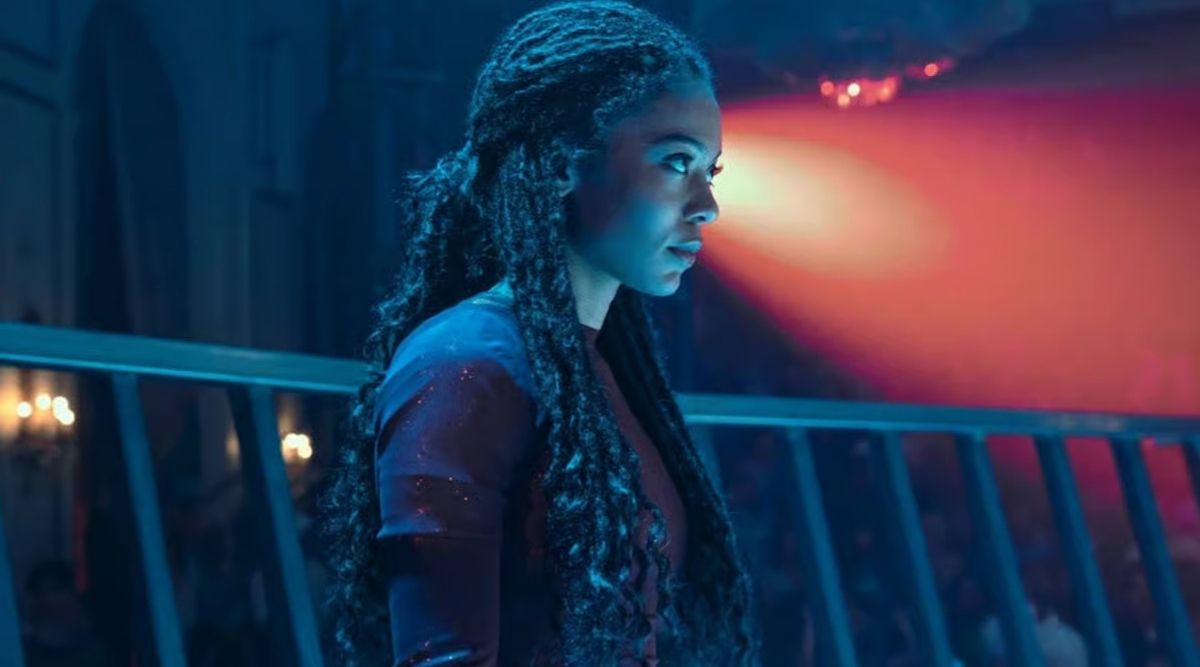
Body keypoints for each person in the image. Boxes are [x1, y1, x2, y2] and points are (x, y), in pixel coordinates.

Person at [321, 2, 759, 665]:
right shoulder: (462, 366)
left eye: (710, 171)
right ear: (560, 165)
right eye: (676, 163)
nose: (707, 206)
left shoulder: (591, 365)